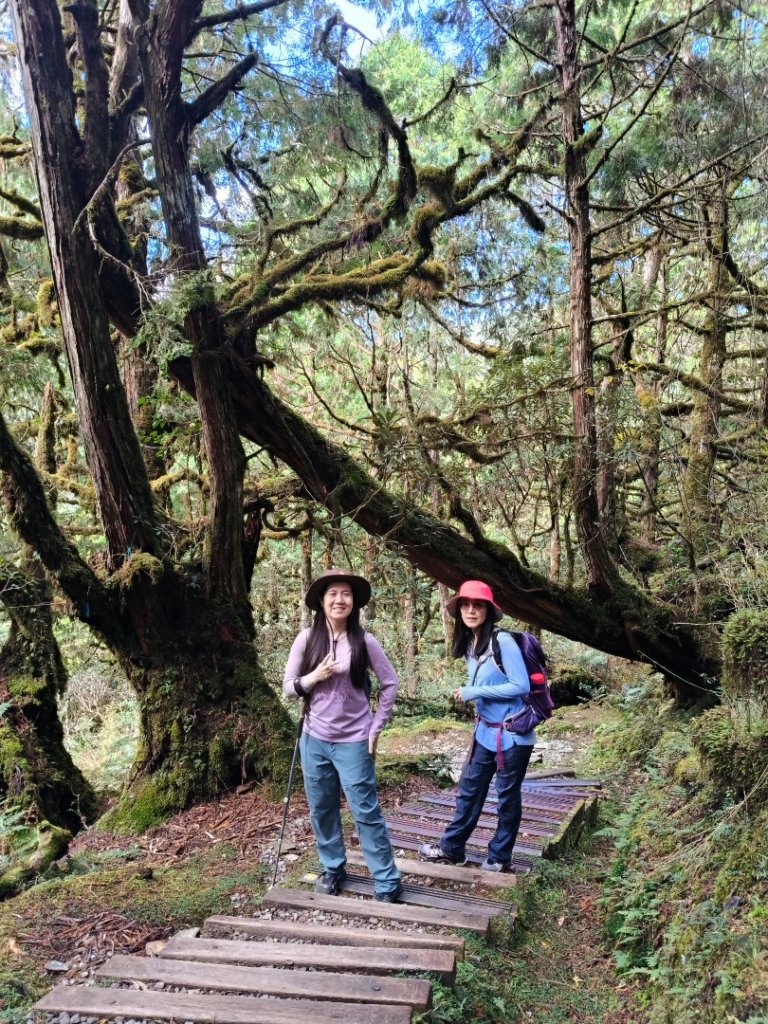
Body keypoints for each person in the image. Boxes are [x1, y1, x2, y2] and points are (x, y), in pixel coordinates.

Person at [283, 567, 403, 902]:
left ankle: (387, 880)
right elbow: (288, 687)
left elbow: (390, 683)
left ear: (354, 602)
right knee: (321, 808)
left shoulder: (364, 641)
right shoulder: (306, 639)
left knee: (365, 811)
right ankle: (333, 868)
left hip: (354, 739)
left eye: (346, 594)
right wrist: (313, 677)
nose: (339, 599)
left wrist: (376, 728)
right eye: (332, 593)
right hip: (314, 739)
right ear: (321, 601)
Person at [419, 579, 534, 872]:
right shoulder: (471, 644)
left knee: (506, 797)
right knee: (470, 790)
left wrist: (475, 692)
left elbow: (520, 686)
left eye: (477, 605)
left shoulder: (503, 642)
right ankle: (452, 848)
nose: (471, 610)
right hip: (485, 732)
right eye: (465, 605)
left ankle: (499, 856)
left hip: (512, 735)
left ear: (488, 610)